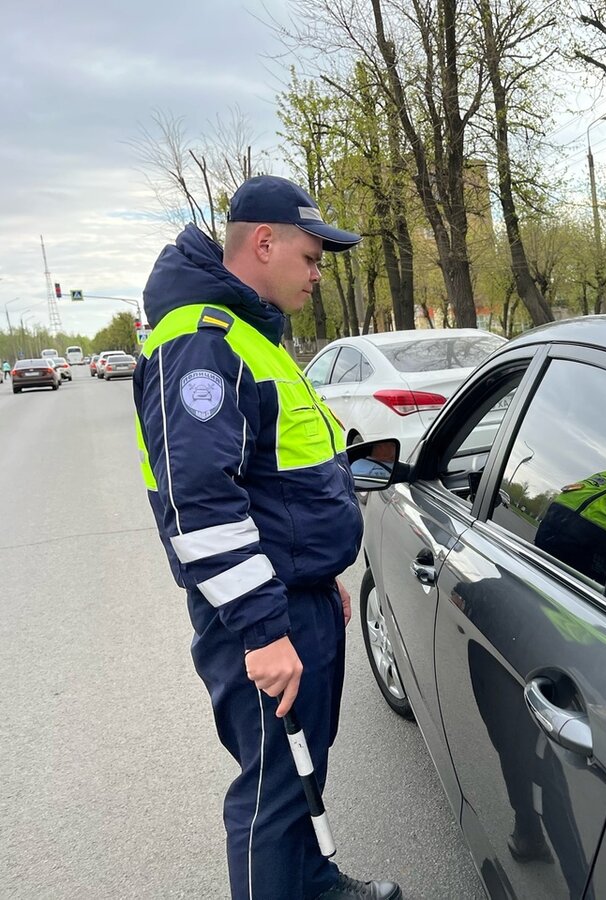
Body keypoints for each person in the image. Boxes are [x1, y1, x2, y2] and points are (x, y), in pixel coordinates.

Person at [132, 175, 401, 900]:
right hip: (262, 617)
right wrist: (262, 629)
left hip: (294, 600)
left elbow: (280, 480)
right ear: (263, 243)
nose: (318, 274)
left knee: (303, 767)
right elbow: (199, 504)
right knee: (271, 793)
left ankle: (312, 883)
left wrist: (321, 581)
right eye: (311, 258)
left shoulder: (250, 336)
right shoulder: (202, 343)